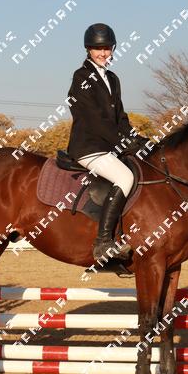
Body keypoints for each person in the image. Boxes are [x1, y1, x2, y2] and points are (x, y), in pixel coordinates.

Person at [66, 23, 143, 262]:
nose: (103, 53)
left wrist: (137, 139)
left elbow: (120, 117)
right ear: (88, 49)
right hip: (88, 147)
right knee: (125, 177)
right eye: (98, 48)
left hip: (109, 146)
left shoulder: (112, 79)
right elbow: (93, 118)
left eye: (107, 48)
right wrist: (121, 141)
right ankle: (103, 242)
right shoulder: (81, 77)